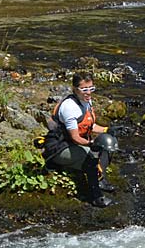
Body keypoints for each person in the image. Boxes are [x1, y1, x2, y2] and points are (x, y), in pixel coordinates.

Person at [41, 72, 118, 207]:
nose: (88, 93)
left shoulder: (87, 102)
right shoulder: (70, 108)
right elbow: (75, 137)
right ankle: (96, 196)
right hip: (61, 147)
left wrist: (106, 131)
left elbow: (89, 125)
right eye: (84, 89)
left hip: (74, 144)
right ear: (75, 89)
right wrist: (91, 144)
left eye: (91, 89)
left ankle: (100, 178)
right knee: (91, 158)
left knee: (108, 145)